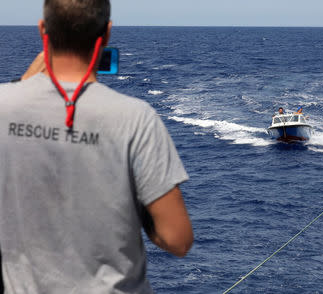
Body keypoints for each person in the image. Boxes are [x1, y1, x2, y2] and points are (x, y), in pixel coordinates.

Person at [0, 1, 193, 293]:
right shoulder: (135, 118)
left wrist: (20, 84)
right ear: (107, 34)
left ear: (43, 30)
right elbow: (177, 238)